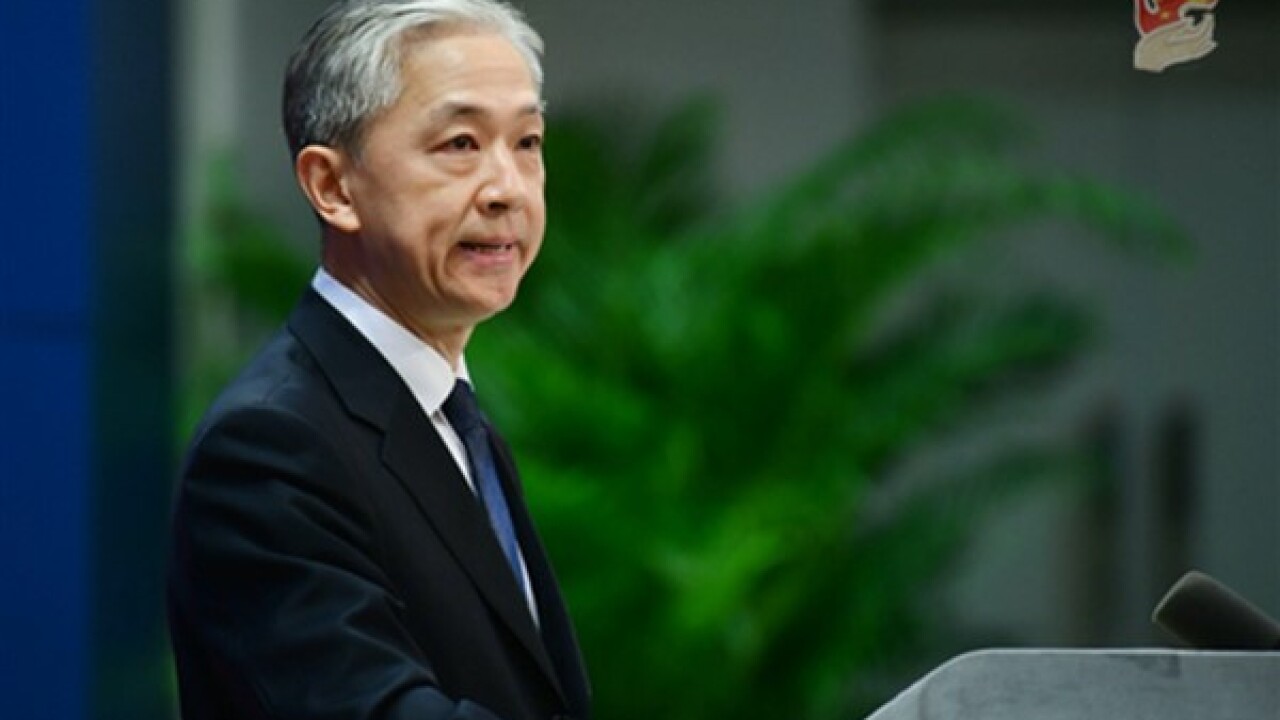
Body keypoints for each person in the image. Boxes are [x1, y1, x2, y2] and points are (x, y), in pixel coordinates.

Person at [166, 1, 590, 718]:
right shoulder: (270, 447)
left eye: (527, 142)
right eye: (460, 143)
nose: (507, 188)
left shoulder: (459, 423)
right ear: (333, 187)